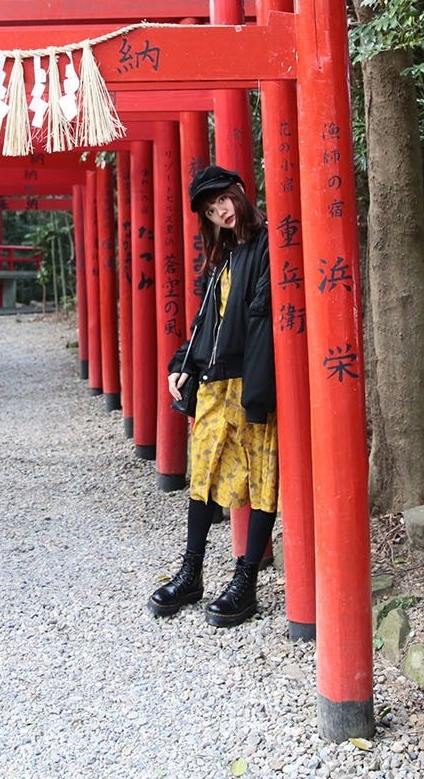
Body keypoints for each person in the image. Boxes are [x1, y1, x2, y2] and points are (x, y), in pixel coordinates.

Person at [148, 164, 277, 627]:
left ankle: (246, 581)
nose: (220, 211)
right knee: (202, 474)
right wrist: (183, 363)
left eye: (222, 199)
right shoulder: (225, 254)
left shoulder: (268, 243)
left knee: (261, 479)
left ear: (239, 191)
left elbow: (262, 317)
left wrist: (258, 389)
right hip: (214, 382)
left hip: (251, 380)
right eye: (209, 209)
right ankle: (192, 572)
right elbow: (207, 322)